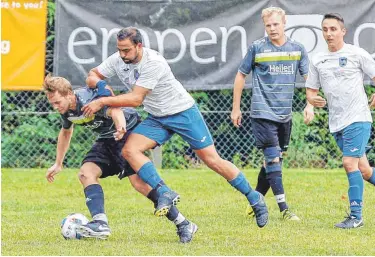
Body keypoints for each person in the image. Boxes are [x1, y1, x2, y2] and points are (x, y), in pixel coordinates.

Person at [81, 27, 269, 228]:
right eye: (119, 50)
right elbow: (93, 74)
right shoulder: (118, 59)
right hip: (158, 117)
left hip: (183, 113)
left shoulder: (153, 62)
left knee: (212, 160)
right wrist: (101, 87)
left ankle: (255, 198)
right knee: (129, 150)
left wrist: (102, 102)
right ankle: (164, 192)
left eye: (126, 50)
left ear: (139, 46)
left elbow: (136, 99)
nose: (122, 54)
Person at [44, 74, 197, 243]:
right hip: (107, 138)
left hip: (126, 132)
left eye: (57, 102)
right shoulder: (67, 110)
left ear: (69, 95)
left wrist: (120, 127)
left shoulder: (86, 101)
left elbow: (114, 109)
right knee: (86, 173)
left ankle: (184, 223)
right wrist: (58, 163)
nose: (55, 107)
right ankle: (100, 223)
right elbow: (66, 132)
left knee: (140, 184)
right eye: (52, 104)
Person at [305, 13, 375, 229]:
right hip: (336, 121)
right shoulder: (317, 59)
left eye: (333, 29)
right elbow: (310, 91)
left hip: (358, 117)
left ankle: (356, 216)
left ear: (343, 31)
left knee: (349, 163)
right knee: (364, 169)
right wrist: (311, 101)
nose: (329, 33)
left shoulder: (356, 53)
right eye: (325, 29)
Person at [231, 6, 312, 221]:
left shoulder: (297, 49)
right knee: (273, 159)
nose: (272, 29)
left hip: (284, 115)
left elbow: (309, 80)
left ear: (284, 23)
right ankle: (284, 209)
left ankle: (256, 199)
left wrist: (310, 104)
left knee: (272, 162)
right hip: (261, 113)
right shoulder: (257, 48)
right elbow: (240, 76)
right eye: (268, 25)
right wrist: (236, 108)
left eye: (276, 24)